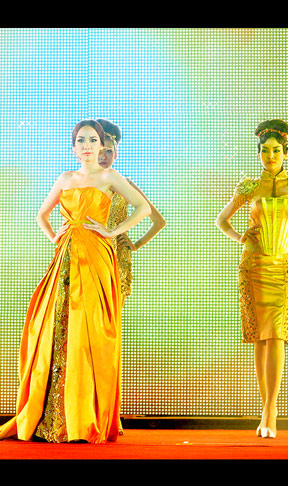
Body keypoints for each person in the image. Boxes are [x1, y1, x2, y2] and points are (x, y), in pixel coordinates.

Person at [0, 120, 150, 443]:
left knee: (90, 332)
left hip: (97, 258)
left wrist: (112, 231)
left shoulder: (109, 177)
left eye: (93, 140)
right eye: (81, 140)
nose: (87, 145)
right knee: (57, 328)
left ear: (102, 145)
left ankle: (83, 416)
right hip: (65, 257)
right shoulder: (65, 178)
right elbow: (41, 215)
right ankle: (53, 414)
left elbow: (144, 208)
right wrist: (55, 236)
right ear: (73, 147)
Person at [215, 119, 288, 439]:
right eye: (264, 150)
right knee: (259, 337)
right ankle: (265, 408)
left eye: (275, 150)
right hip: (254, 265)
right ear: (258, 152)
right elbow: (221, 220)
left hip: (284, 267)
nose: (270, 156)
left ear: (285, 152)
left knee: (278, 336)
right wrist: (239, 237)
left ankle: (271, 409)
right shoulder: (249, 187)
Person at [96, 119, 167, 435]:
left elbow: (157, 220)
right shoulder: (82, 181)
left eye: (110, 151)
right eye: (100, 149)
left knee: (109, 335)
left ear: (117, 153)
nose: (104, 156)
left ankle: (109, 414)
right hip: (87, 258)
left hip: (116, 262)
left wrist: (133, 243)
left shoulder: (124, 183)